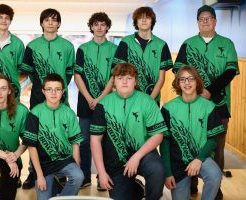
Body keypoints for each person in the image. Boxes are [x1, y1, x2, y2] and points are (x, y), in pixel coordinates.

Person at [173, 5, 239, 199]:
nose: (205, 21)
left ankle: (215, 188)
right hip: (190, 104)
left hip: (219, 105)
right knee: (190, 142)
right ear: (197, 22)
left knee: (217, 148)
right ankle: (191, 182)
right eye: (201, 18)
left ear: (215, 21)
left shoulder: (226, 44)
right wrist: (194, 91)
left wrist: (209, 91)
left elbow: (229, 72)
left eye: (209, 18)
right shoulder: (188, 43)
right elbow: (178, 71)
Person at [90, 63, 167, 200]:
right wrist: (101, 173)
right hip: (116, 163)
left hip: (143, 154)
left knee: (157, 170)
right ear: (114, 81)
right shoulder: (103, 104)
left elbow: (158, 135)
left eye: (129, 78)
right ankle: (136, 189)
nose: (124, 81)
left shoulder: (147, 101)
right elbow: (95, 140)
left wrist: (136, 157)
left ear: (135, 81)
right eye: (120, 78)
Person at [20, 8, 75, 189]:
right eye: (47, 20)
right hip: (38, 97)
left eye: (54, 20)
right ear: (42, 23)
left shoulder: (67, 46)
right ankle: (33, 173)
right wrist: (42, 89)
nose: (50, 23)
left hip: (60, 96)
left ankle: (60, 172)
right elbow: (29, 72)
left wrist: (57, 90)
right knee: (34, 137)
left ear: (59, 23)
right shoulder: (32, 46)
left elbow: (68, 73)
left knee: (60, 134)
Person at [160, 66, 224, 200]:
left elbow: (213, 139)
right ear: (178, 83)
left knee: (215, 175)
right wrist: (168, 172)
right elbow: (164, 143)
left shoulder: (209, 107)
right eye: (182, 79)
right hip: (177, 163)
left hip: (202, 157)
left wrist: (199, 159)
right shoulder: (168, 109)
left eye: (191, 79)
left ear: (197, 82)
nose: (187, 83)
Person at [22, 73, 84, 199]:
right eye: (49, 89)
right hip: (43, 163)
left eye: (57, 89)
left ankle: (60, 197)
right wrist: (39, 176)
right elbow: (32, 147)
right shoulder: (35, 113)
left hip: (65, 159)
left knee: (78, 176)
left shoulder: (69, 113)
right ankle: (55, 183)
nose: (53, 93)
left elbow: (75, 143)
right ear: (43, 91)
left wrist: (77, 168)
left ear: (63, 92)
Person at [74, 12, 117, 190]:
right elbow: (77, 75)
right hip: (85, 102)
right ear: (91, 27)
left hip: (107, 103)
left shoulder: (115, 50)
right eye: (96, 24)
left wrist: (100, 99)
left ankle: (103, 177)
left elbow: (114, 77)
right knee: (84, 142)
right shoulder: (83, 49)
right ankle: (84, 177)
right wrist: (90, 97)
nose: (99, 27)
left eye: (102, 24)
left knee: (106, 142)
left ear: (107, 27)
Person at [112, 6, 173, 105]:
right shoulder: (126, 42)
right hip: (128, 99)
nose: (144, 20)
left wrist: (150, 100)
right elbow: (118, 72)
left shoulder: (161, 45)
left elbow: (161, 78)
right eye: (140, 17)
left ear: (152, 21)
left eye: (147, 17)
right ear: (136, 22)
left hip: (152, 100)